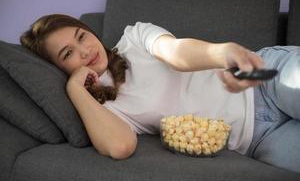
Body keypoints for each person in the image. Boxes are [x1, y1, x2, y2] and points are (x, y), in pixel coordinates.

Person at [20, 14, 300, 173]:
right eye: (67, 53)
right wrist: (75, 90)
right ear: (59, 68)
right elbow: (120, 147)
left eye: (81, 36)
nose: (85, 51)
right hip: (257, 139)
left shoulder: (134, 37)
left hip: (266, 78)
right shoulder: (104, 110)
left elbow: (175, 52)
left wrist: (221, 52)